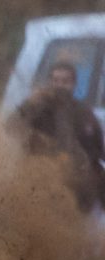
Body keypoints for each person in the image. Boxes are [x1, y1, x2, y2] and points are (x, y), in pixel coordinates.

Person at [8, 61, 105, 211]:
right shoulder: (38, 107)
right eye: (56, 81)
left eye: (65, 81)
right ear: (50, 82)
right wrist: (30, 104)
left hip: (75, 188)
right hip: (39, 180)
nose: (59, 86)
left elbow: (97, 153)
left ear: (74, 84)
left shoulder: (84, 113)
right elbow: (11, 127)